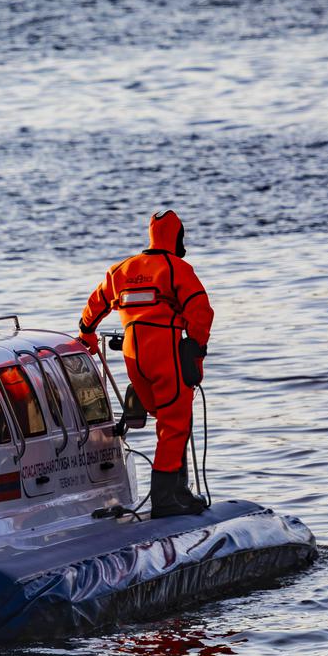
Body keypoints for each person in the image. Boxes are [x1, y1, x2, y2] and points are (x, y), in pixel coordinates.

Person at [77, 210, 213, 517]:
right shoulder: (176, 268)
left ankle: (178, 491)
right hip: (164, 348)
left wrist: (86, 333)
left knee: (166, 421)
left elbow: (95, 303)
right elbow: (200, 310)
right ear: (177, 238)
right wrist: (197, 350)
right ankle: (166, 499)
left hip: (132, 355)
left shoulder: (123, 269)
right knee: (175, 423)